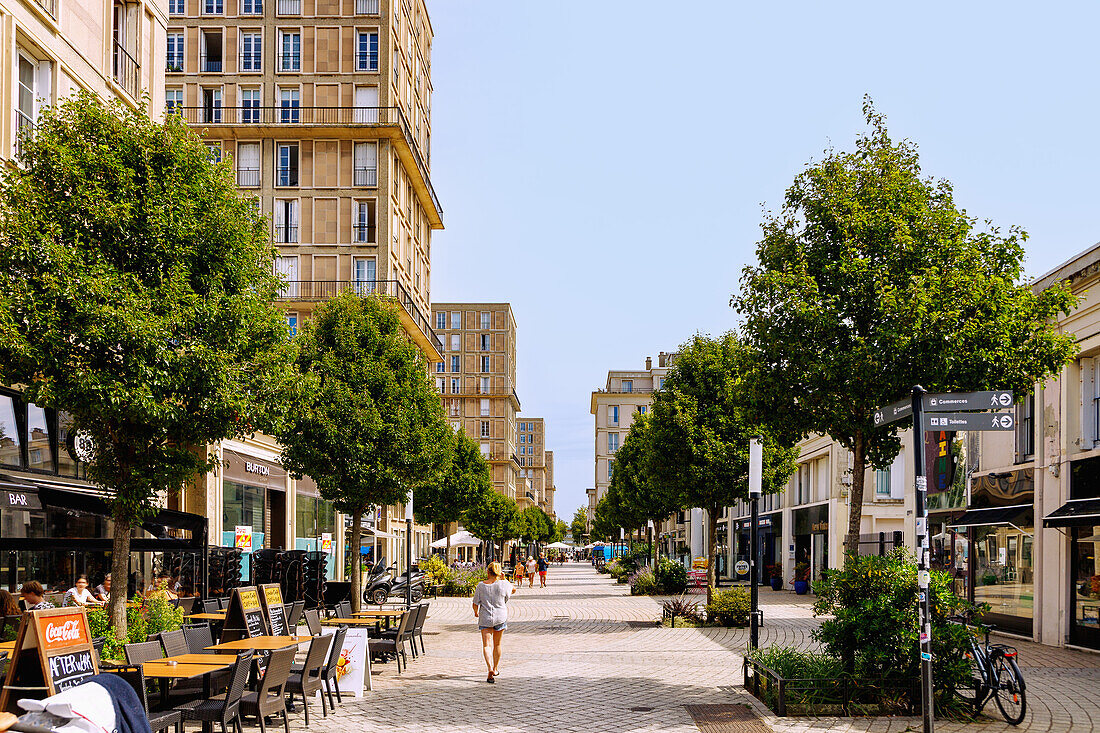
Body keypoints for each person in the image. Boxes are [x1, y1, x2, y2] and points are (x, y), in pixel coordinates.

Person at [471, 561, 515, 683]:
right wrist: (505, 580)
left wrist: (476, 612)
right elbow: (513, 590)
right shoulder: (503, 584)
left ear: (487, 572)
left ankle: (489, 668)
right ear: (499, 572)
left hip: (485, 617)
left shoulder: (481, 585)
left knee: (486, 645)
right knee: (497, 644)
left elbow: (475, 602)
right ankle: (495, 668)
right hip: (500, 616)